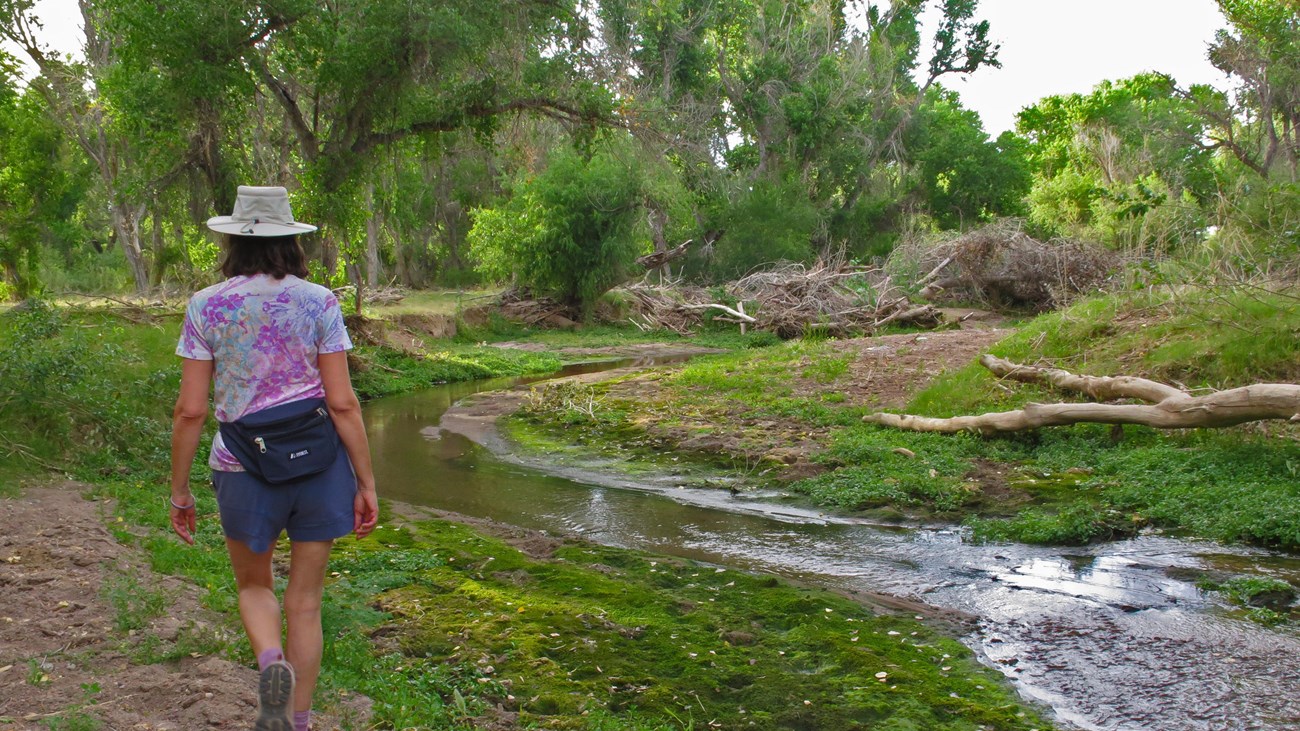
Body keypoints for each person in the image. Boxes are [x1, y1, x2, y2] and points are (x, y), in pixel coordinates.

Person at [168, 185, 379, 731]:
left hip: (241, 465)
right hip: (318, 464)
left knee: (254, 585)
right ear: (292, 241)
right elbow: (342, 401)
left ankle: (269, 662)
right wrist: (366, 481)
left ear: (233, 240)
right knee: (305, 602)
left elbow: (190, 411)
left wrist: (180, 490)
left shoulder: (206, 305)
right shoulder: (319, 301)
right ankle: (299, 721)